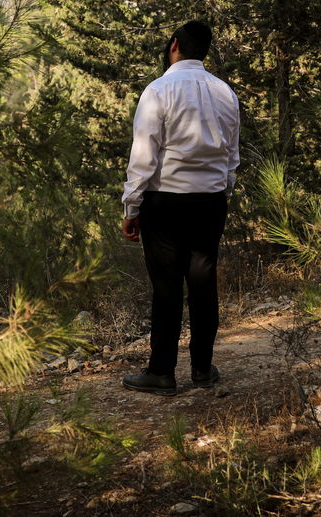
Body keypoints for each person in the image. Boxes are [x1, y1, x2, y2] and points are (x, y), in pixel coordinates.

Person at [120, 20, 240, 396]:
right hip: (211, 200)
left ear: (174, 45)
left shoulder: (158, 90)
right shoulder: (225, 93)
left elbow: (144, 155)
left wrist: (132, 207)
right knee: (204, 285)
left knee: (167, 287)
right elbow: (231, 156)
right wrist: (221, 194)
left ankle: (162, 372)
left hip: (166, 202)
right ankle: (203, 370)